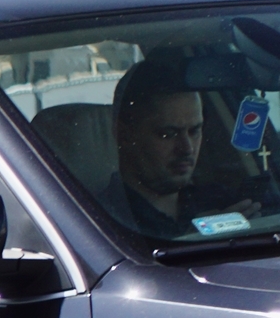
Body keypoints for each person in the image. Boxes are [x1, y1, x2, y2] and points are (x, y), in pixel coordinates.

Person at [103, 51, 280, 238]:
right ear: (123, 135)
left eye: (194, 131)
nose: (187, 148)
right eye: (167, 134)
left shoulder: (221, 201)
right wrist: (190, 241)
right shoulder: (101, 222)